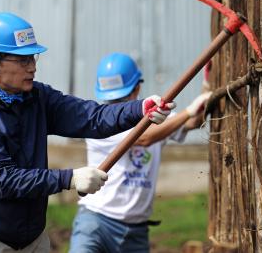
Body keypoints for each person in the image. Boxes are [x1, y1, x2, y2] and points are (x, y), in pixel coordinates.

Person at [0, 12, 175, 253]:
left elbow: (92, 117)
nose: (33, 67)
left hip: (32, 238)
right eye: (23, 60)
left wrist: (139, 109)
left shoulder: (38, 98)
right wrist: (69, 178)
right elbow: (4, 180)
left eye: (33, 57)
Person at [69, 53, 211, 253]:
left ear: (137, 89)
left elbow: (192, 122)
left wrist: (206, 89)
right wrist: (187, 111)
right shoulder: (100, 123)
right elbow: (144, 138)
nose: (116, 105)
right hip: (96, 222)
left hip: (135, 231)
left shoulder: (158, 118)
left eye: (121, 98)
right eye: (112, 100)